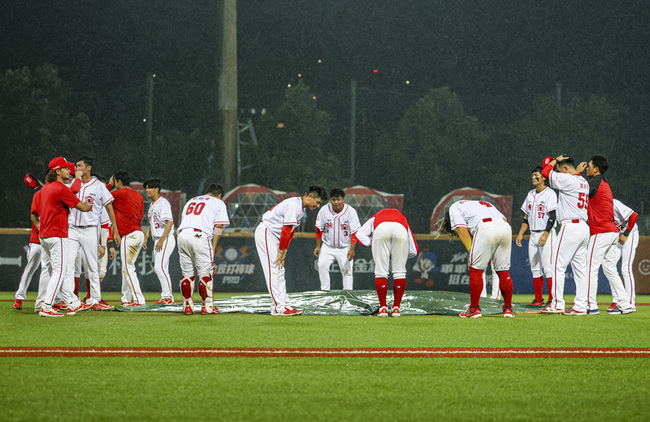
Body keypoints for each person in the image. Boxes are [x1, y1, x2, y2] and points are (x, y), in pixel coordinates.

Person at [255, 186, 327, 316]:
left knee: (279, 270)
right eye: (317, 202)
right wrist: (281, 250)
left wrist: (285, 250)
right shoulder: (294, 205)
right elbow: (286, 229)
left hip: (275, 236)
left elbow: (291, 231)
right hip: (267, 232)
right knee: (273, 269)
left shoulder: (300, 208)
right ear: (310, 196)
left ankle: (284, 304)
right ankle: (279, 307)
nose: (317, 206)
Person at [438, 200, 514, 318]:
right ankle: (508, 309)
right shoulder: (480, 203)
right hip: (505, 227)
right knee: (503, 271)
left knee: (476, 270)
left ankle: (474, 309)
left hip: (486, 227)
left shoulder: (454, 207)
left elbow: (461, 230)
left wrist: (471, 252)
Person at [578, 155, 633, 315]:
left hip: (601, 231)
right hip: (612, 232)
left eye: (589, 165)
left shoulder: (595, 182)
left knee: (590, 268)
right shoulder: (603, 183)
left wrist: (576, 174)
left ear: (596, 169)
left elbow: (579, 189)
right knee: (610, 269)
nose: (587, 167)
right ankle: (624, 305)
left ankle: (591, 305)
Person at [38, 157, 92, 317]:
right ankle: (46, 306)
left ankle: (70, 302)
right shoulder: (60, 188)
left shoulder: (47, 187)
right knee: (60, 272)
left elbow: (71, 191)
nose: (69, 170)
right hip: (57, 234)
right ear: (57, 171)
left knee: (55, 271)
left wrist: (75, 181)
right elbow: (82, 206)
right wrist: (89, 205)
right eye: (66, 169)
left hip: (45, 235)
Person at [65, 156, 119, 311]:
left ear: (88, 168)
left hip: (90, 229)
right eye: (76, 166)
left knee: (92, 266)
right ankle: (71, 299)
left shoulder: (98, 186)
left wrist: (115, 230)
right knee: (69, 265)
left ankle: (94, 300)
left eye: (80, 166)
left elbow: (109, 208)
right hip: (73, 229)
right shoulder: (72, 184)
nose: (77, 168)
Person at [540, 155, 590, 314]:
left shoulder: (568, 179)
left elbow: (546, 173)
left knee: (556, 265)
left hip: (571, 227)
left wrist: (554, 160)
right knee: (580, 269)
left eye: (561, 170)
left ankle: (557, 304)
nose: (559, 172)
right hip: (583, 227)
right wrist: (575, 172)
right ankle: (581, 306)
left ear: (566, 169)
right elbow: (573, 177)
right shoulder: (583, 181)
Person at [349, 208, 418, 317]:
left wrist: (372, 243)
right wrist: (403, 254)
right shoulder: (402, 217)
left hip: (381, 229)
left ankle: (383, 308)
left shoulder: (376, 216)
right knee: (399, 272)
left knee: (381, 272)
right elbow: (414, 250)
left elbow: (359, 234)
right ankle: (396, 309)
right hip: (400, 229)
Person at [176, 184, 230, 315]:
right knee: (205, 273)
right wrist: (213, 245)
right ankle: (208, 306)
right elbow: (218, 225)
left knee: (187, 274)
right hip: (199, 236)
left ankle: (187, 306)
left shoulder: (192, 200)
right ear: (220, 195)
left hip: (182, 235)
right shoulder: (218, 202)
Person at [516, 166, 558, 306]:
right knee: (535, 267)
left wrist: (546, 234)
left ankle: (553, 299)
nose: (534, 177)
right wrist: (521, 233)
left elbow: (553, 216)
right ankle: (538, 299)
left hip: (546, 233)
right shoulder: (530, 194)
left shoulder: (550, 193)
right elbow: (525, 217)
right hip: (533, 234)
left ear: (544, 177)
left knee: (548, 267)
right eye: (532, 175)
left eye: (536, 175)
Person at [109, 171, 145, 307]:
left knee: (128, 268)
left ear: (118, 181)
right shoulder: (138, 195)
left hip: (130, 235)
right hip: (138, 233)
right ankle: (126, 298)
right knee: (127, 267)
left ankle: (139, 300)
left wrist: (109, 184)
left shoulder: (116, 194)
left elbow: (102, 199)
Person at [313, 188, 361, 290]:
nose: (336, 202)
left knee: (347, 272)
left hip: (344, 246)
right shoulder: (324, 210)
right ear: (330, 200)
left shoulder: (350, 211)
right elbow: (319, 229)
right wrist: (318, 246)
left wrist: (352, 249)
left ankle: (347, 295)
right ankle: (325, 292)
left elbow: (354, 232)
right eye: (334, 200)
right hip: (327, 245)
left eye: (338, 199)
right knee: (321, 265)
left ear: (343, 199)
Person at [143, 179, 176, 304]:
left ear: (157, 189)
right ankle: (166, 296)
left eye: (150, 188)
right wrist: (147, 235)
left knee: (159, 267)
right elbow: (154, 223)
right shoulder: (152, 204)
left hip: (166, 238)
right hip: (158, 239)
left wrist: (162, 240)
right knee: (162, 268)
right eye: (146, 188)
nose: (147, 190)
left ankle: (167, 296)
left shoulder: (163, 203)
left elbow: (170, 222)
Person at [603, 199, 639, 311]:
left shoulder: (613, 203)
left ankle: (630, 302)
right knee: (610, 266)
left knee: (626, 268)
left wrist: (626, 233)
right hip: (617, 236)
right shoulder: (598, 205)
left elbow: (634, 215)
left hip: (630, 233)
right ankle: (616, 300)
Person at [13, 187, 44, 311]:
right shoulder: (39, 195)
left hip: (54, 239)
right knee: (30, 268)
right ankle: (19, 298)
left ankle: (52, 300)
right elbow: (34, 216)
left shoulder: (61, 194)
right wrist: (43, 230)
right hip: (37, 240)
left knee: (53, 271)